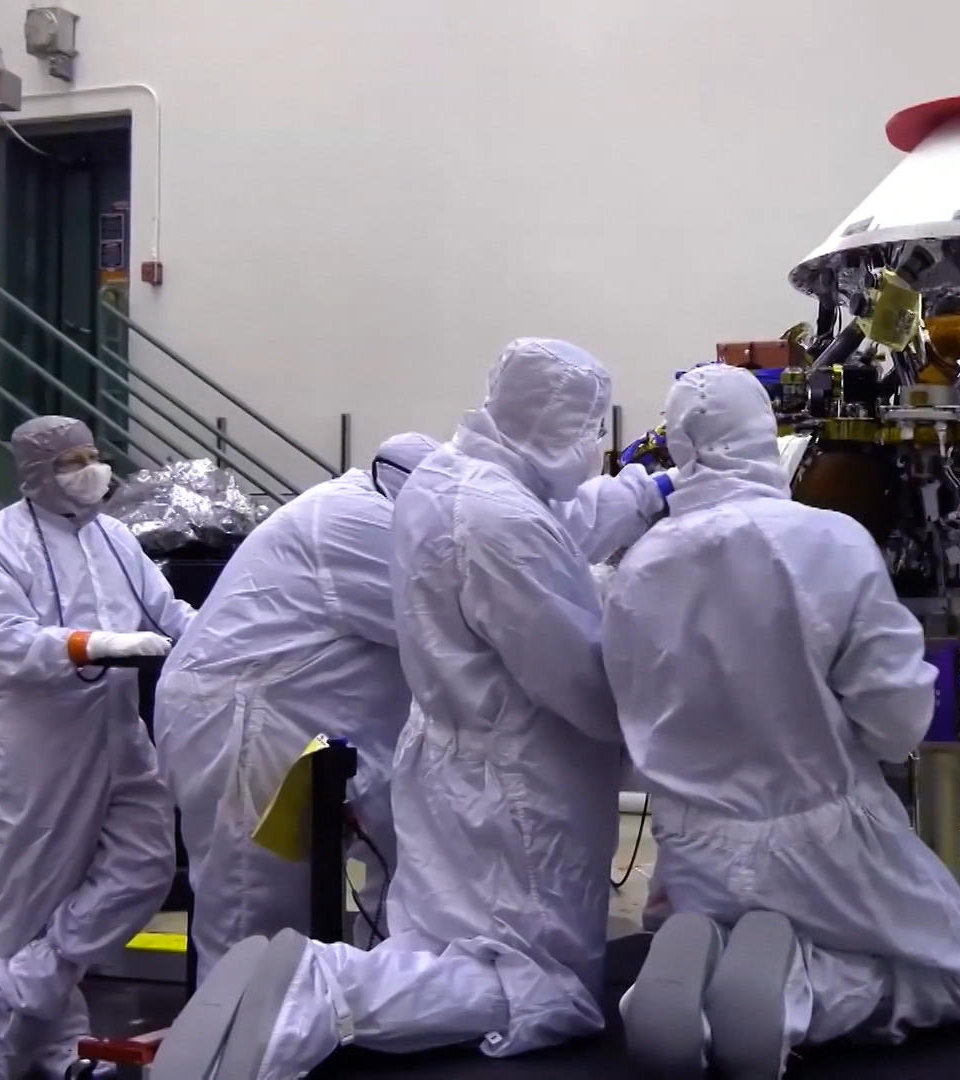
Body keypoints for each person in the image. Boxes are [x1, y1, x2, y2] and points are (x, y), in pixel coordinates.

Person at [150, 339, 671, 1080]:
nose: (595, 449)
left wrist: (650, 494)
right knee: (254, 916)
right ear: (554, 425)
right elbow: (544, 623)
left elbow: (546, 529)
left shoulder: (437, 491)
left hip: (372, 737)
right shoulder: (382, 524)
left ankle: (295, 1017)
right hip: (253, 719)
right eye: (590, 430)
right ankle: (252, 1039)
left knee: (419, 942)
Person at [601, 364, 960, 1080]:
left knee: (720, 928)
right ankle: (796, 994)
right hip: (827, 840)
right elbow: (893, 714)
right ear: (769, 438)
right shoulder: (830, 541)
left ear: (679, 448)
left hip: (692, 849)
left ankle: (677, 987)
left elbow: (627, 704)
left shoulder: (637, 566)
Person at [154, 431, 441, 979]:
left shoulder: (378, 510)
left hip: (306, 729)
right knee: (255, 911)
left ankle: (333, 1027)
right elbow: (450, 622)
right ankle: (236, 1053)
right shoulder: (355, 521)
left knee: (379, 883)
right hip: (246, 726)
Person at [0, 416, 196, 1079]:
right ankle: (24, 1058)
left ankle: (29, 983)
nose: (90, 468)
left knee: (147, 865)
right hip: (42, 738)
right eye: (73, 460)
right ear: (37, 471)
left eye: (94, 455)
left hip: (119, 727)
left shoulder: (117, 539)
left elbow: (166, 612)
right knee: (34, 893)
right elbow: (2, 639)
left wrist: (216, 633)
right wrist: (87, 643)